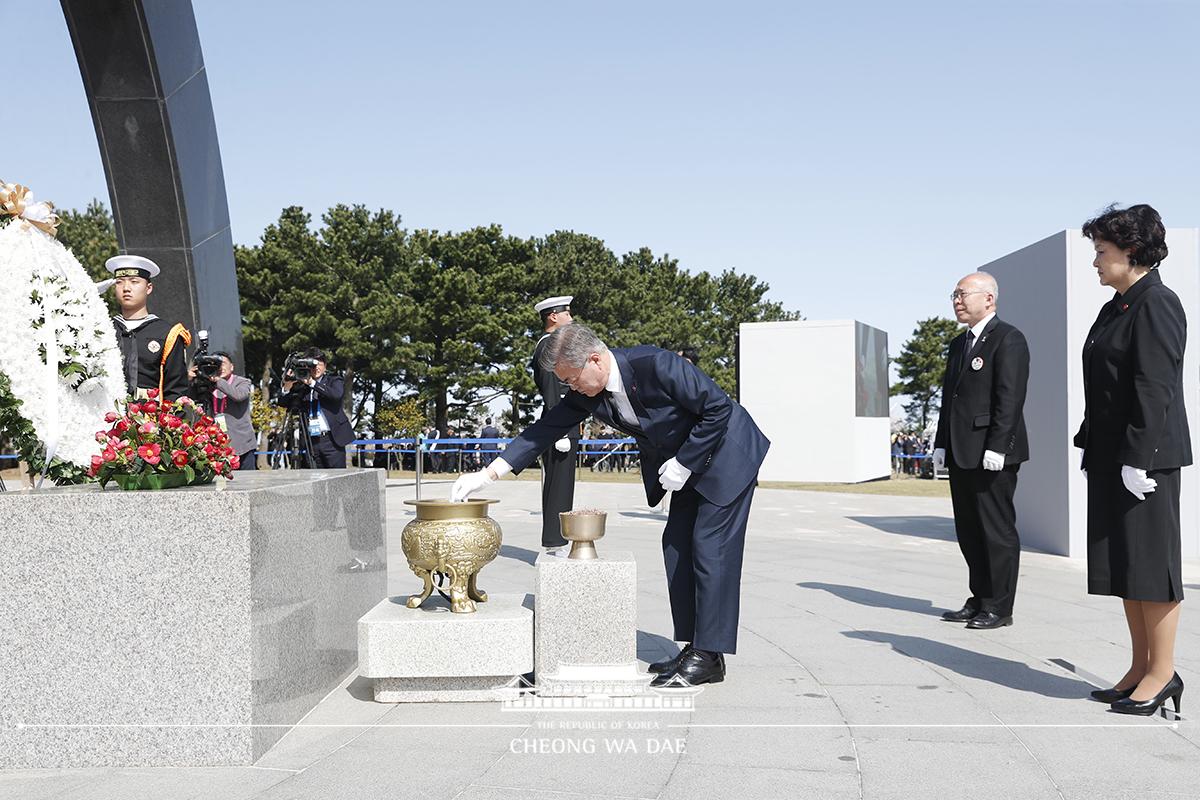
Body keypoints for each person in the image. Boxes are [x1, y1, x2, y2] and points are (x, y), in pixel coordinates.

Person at [451, 323, 770, 687]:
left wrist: (685, 462)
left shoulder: (657, 364)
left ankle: (709, 656)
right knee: (677, 546)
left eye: (572, 379)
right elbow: (546, 428)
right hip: (688, 465)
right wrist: (487, 474)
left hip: (728, 455)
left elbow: (716, 408)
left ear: (595, 359)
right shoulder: (588, 391)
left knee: (710, 549)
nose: (572, 388)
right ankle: (696, 647)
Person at [1075, 204, 1189, 716]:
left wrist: (1137, 457)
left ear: (1131, 251)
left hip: (1147, 460)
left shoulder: (1157, 303)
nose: (1096, 262)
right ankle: (1141, 665)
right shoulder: (1117, 306)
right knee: (1126, 567)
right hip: (1113, 455)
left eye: (1102, 252)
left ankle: (1163, 673)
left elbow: (1154, 385)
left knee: (1152, 568)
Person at [932, 271, 1030, 630]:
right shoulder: (960, 344)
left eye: (963, 294)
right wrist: (941, 442)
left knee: (996, 530)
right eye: (954, 295)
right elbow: (949, 400)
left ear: (988, 299)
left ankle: (1000, 606)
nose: (957, 300)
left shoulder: (1008, 339)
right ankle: (980, 597)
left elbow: (1010, 398)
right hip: (960, 451)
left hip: (992, 453)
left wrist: (998, 446)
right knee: (970, 530)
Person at [532, 295, 580, 555]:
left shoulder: (555, 343)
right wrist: (560, 429)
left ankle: (558, 539)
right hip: (558, 423)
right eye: (567, 314)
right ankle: (554, 543)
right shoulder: (549, 344)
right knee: (558, 485)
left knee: (563, 484)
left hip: (563, 421)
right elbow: (551, 387)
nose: (570, 319)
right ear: (553, 316)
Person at [107, 255, 190, 401]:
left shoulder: (167, 334)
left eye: (134, 282)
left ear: (148, 288)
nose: (126, 288)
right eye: (119, 282)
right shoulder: (103, 329)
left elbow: (176, 391)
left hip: (149, 419)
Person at [280, 348, 353, 469]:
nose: (316, 367)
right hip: (311, 441)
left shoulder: (334, 380)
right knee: (315, 478)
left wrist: (312, 383)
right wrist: (287, 386)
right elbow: (283, 403)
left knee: (337, 480)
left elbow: (336, 395)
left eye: (319, 363)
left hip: (332, 440)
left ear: (325, 366)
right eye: (313, 364)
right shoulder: (302, 386)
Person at [189, 351, 257, 470]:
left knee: (248, 482)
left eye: (223, 363)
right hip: (219, 445)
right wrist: (190, 379)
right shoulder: (208, 384)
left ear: (232, 366)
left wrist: (217, 380)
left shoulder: (242, 382)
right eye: (217, 364)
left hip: (242, 443)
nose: (221, 367)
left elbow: (239, 395)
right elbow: (190, 399)